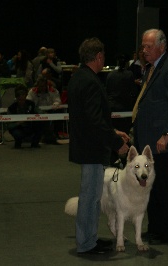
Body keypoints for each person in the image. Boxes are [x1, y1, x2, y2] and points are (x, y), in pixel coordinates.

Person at [68, 37, 130, 255]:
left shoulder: (79, 78)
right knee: (90, 198)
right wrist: (116, 144)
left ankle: (90, 240)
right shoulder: (91, 82)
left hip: (87, 146)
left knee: (91, 197)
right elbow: (94, 121)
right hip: (91, 149)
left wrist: (113, 132)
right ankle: (86, 244)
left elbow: (88, 119)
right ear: (99, 56)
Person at [133, 29, 168, 244]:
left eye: (149, 46)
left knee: (165, 188)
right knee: (151, 188)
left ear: (162, 47)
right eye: (143, 46)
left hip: (162, 141)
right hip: (148, 140)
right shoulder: (152, 68)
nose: (144, 50)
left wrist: (166, 135)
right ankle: (155, 229)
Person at [106, 54, 137, 134]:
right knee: (124, 134)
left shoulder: (110, 74)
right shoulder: (129, 74)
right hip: (124, 109)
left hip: (112, 108)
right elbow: (134, 92)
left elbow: (107, 91)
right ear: (127, 63)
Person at [26, 76, 62, 144]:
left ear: (46, 85)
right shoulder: (32, 91)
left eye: (43, 86)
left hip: (50, 111)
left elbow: (57, 100)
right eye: (40, 86)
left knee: (58, 113)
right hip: (37, 111)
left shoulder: (53, 91)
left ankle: (54, 134)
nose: (41, 88)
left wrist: (55, 104)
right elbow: (28, 102)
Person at [7, 84, 43, 149]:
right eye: (20, 100)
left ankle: (35, 144)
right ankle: (18, 144)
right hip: (18, 127)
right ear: (16, 98)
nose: (22, 102)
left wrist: (41, 114)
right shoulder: (11, 108)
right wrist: (18, 123)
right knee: (17, 133)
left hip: (30, 125)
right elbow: (9, 126)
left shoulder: (31, 104)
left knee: (40, 125)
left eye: (23, 100)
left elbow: (39, 111)